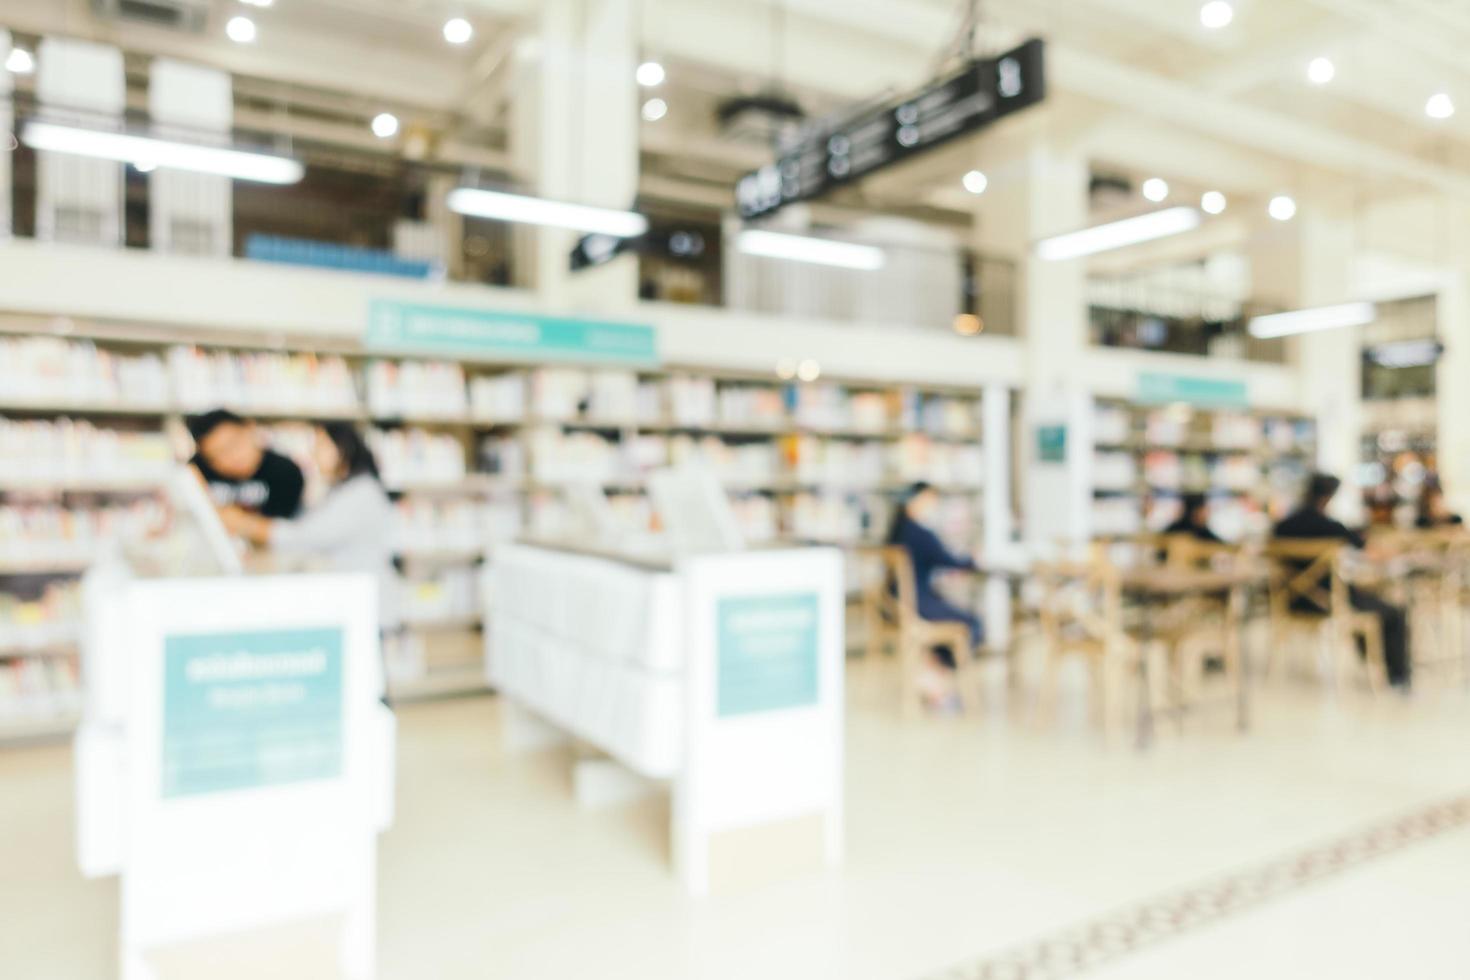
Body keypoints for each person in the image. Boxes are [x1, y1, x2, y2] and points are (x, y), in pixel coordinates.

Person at [217, 421, 395, 622]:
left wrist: (246, 524)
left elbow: (306, 536)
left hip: (369, 610)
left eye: (320, 446)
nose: (313, 455)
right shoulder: (338, 491)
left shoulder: (361, 493)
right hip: (350, 603)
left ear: (342, 447)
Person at [1274, 472, 1410, 689]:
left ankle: (1375, 662)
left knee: (1366, 600)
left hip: (1291, 601)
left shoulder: (1282, 527)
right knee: (1392, 612)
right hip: (1330, 601)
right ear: (1328, 497)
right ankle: (1396, 677)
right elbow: (1370, 552)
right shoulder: (1331, 527)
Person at [885, 482, 982, 669]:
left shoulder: (898, 531)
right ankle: (942, 677)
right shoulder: (920, 533)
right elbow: (949, 560)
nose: (933, 507)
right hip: (917, 604)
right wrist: (972, 559)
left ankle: (934, 671)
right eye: (930, 501)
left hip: (894, 604)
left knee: (949, 612)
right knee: (973, 624)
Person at [188, 409, 305, 519]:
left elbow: (279, 531)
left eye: (234, 444)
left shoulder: (285, 472)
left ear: (250, 428)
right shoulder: (195, 471)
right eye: (216, 456)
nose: (231, 457)